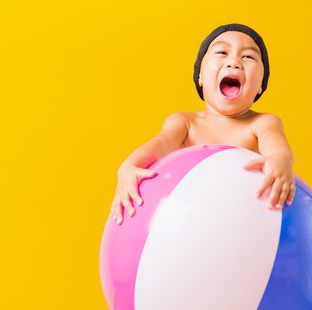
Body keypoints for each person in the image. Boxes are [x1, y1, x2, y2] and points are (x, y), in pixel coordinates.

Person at [110, 23, 295, 225]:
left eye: (248, 57)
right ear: (200, 76)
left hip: (241, 223)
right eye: (222, 52)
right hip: (187, 220)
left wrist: (279, 160)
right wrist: (129, 166)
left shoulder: (261, 123)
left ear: (260, 85)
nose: (234, 62)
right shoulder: (186, 123)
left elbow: (275, 144)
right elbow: (160, 143)